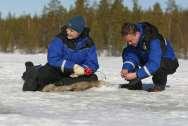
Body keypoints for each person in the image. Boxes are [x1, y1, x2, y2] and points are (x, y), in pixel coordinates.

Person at [22, 16, 99, 91]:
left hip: (74, 74)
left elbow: (92, 63)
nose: (68, 32)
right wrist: (73, 67)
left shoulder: (88, 43)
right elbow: (53, 59)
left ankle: (61, 83)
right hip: (57, 69)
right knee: (37, 78)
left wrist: (83, 70)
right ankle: (31, 70)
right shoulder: (59, 39)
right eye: (68, 29)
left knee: (93, 78)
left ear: (79, 32)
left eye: (72, 31)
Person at [119, 22, 179, 92]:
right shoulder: (134, 40)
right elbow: (131, 56)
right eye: (127, 41)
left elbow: (154, 64)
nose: (129, 43)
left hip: (169, 62)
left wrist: (136, 74)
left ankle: (159, 86)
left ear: (137, 34)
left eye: (130, 41)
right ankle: (135, 84)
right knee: (126, 51)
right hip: (149, 60)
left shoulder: (154, 39)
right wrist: (126, 68)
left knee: (159, 63)